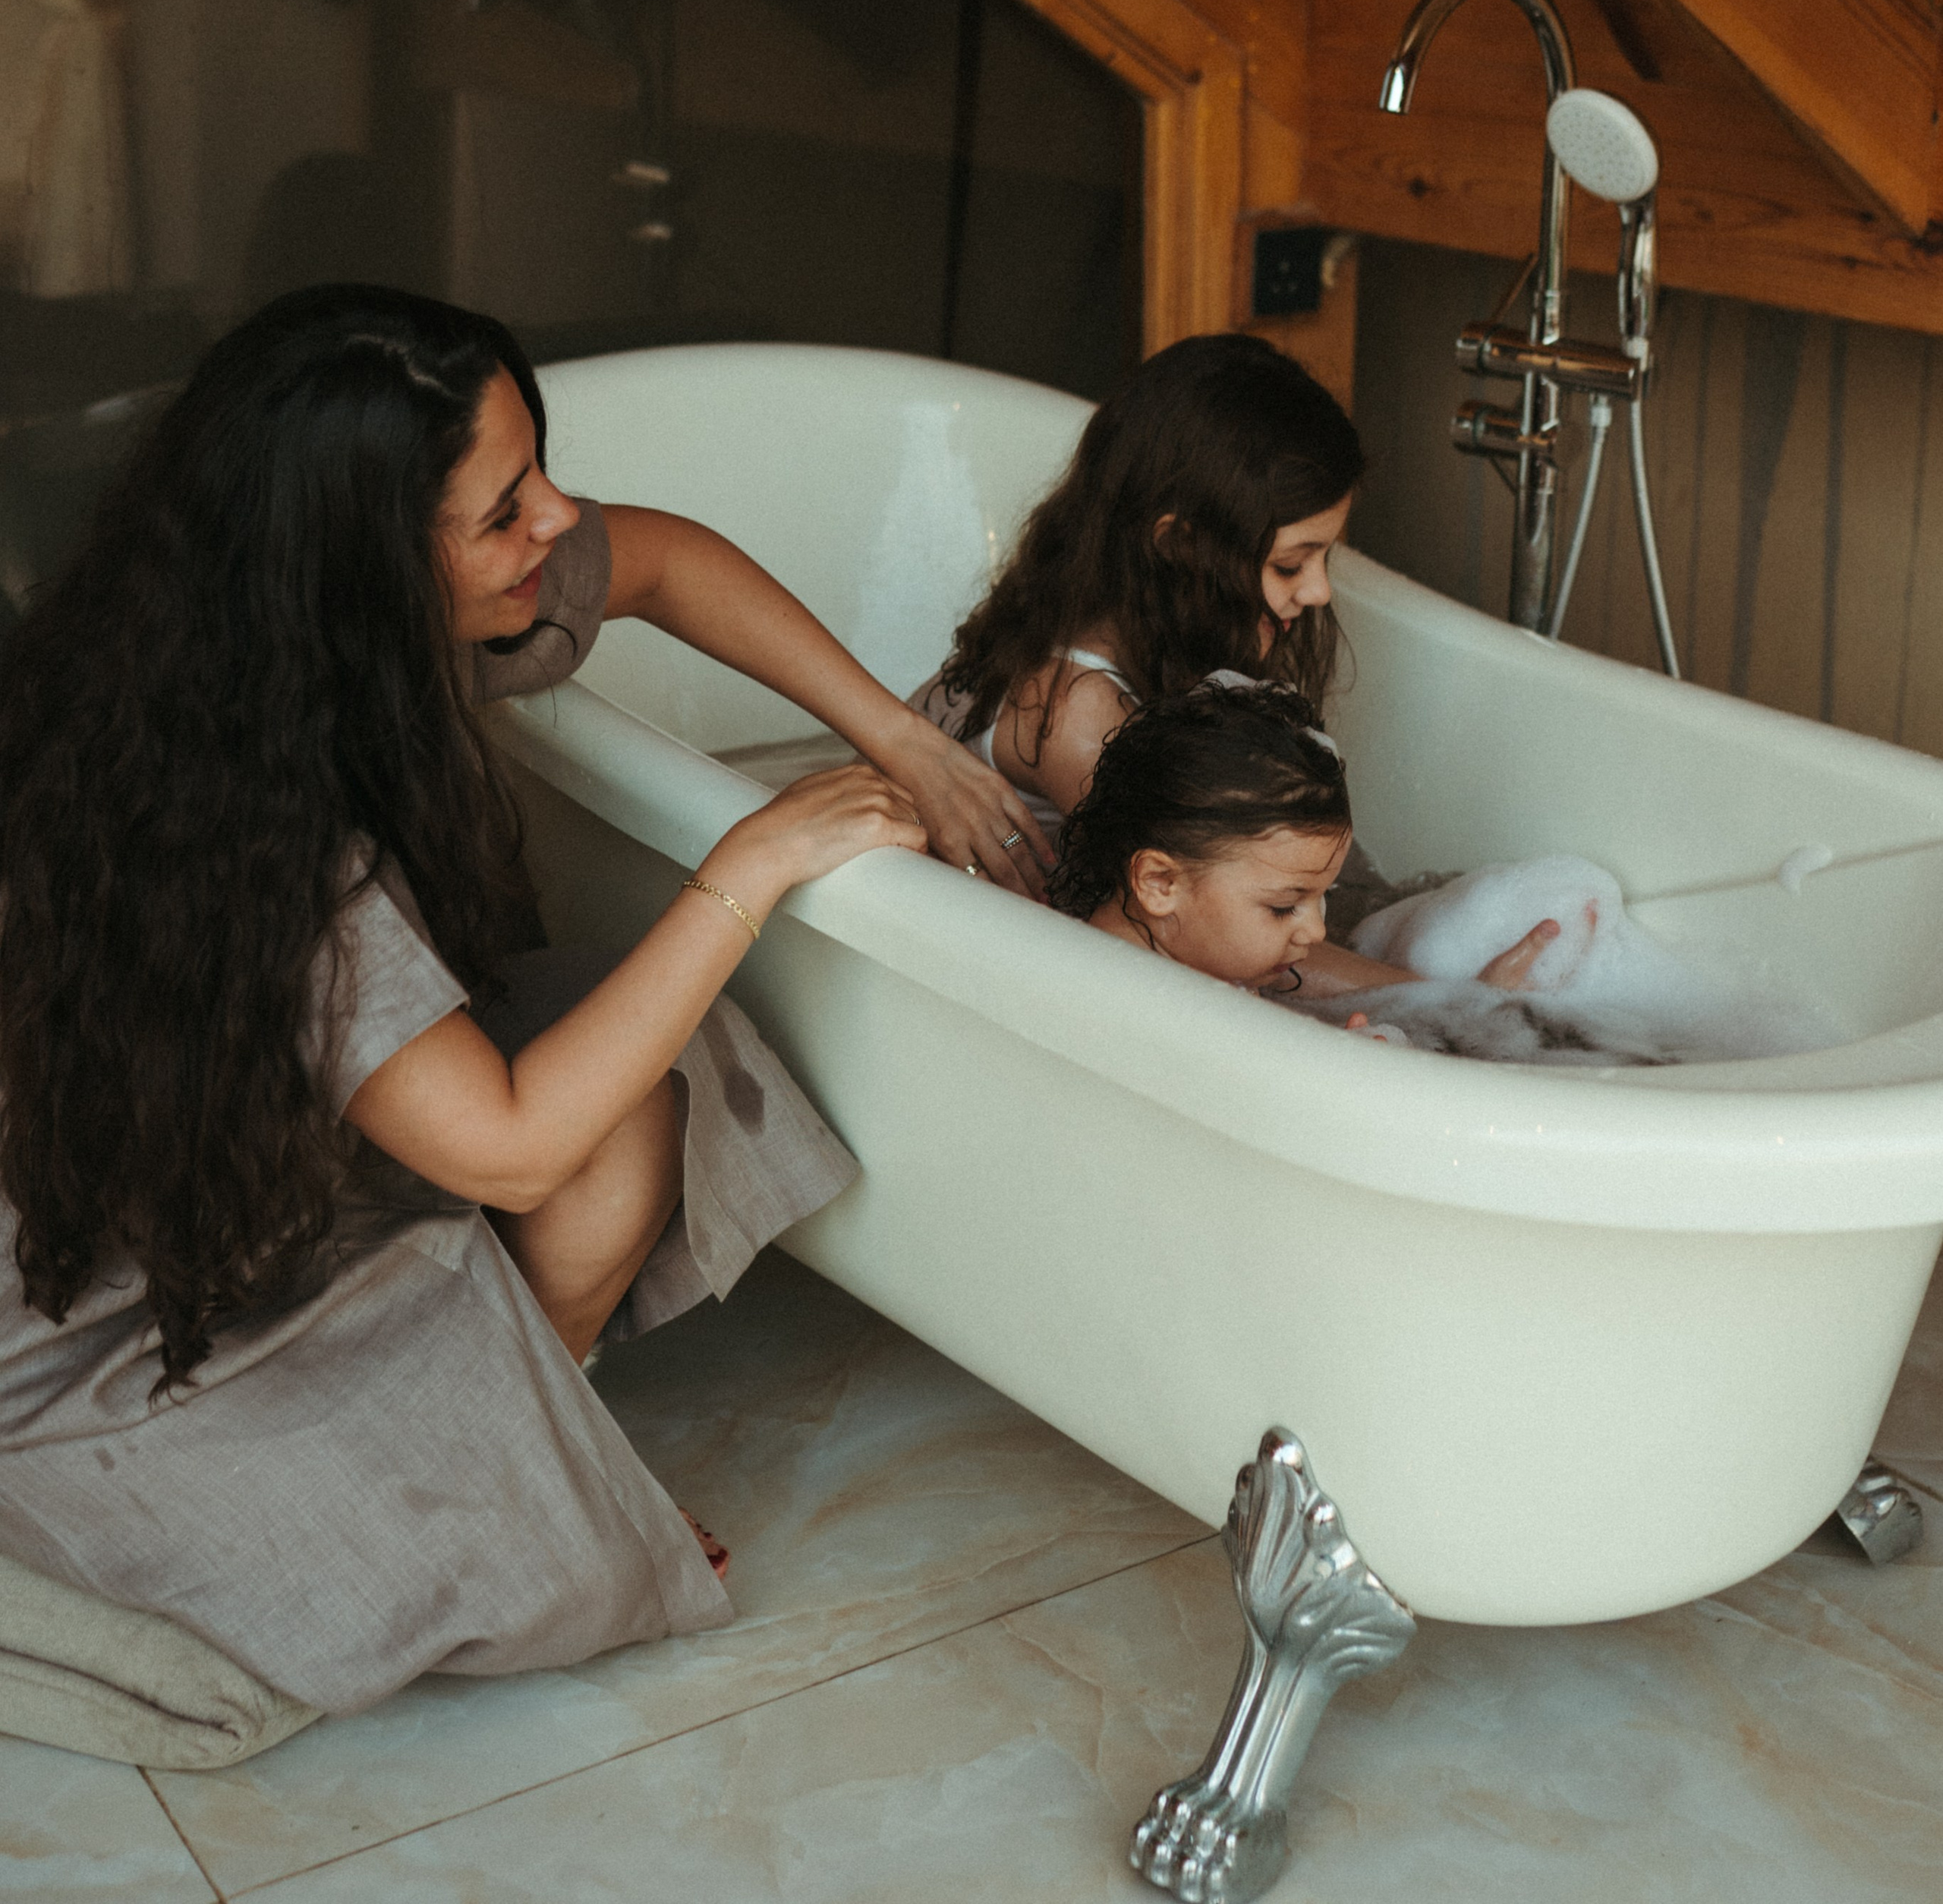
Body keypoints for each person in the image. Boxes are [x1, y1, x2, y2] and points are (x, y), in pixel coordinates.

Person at [0, 285, 1043, 1720]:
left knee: (648, 1102)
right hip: (99, 1300)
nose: (558, 520)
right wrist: (754, 856)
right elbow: (511, 1152)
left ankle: (510, 1437)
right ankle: (487, 1483)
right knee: (578, 1137)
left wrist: (900, 740)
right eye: (505, 511)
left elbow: (669, 565)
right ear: (364, 564)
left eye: (538, 470)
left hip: (237, 1147)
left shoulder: (284, 645)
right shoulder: (253, 824)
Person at [912, 333, 1363, 842]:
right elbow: (1189, 902)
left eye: (1325, 557)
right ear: (1176, 544)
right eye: (1289, 565)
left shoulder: (1117, 630)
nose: (1320, 591)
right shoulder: (1081, 716)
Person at [1046, 684, 1558, 1021]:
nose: (1316, 932)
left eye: (1322, 896)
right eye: (1284, 906)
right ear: (1160, 883)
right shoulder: (1133, 1007)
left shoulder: (1184, 961)